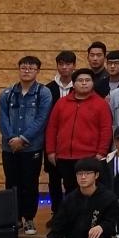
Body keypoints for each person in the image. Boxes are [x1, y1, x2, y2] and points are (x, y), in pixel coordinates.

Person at [0, 54, 52, 235]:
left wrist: (23, 139)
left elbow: (41, 119)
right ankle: (14, 219)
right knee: (11, 183)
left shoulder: (43, 93)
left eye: (31, 68)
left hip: (32, 147)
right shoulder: (7, 93)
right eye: (23, 67)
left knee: (29, 183)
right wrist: (11, 139)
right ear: (19, 69)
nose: (27, 71)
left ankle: (29, 219)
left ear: (38, 71)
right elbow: (3, 119)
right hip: (9, 148)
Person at [45, 68, 112, 195]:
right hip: (64, 157)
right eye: (80, 80)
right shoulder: (61, 103)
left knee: (89, 192)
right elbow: (52, 127)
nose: (84, 83)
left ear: (93, 83)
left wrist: (101, 153)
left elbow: (106, 130)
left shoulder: (101, 104)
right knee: (70, 191)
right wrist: (51, 151)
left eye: (87, 80)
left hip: (89, 157)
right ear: (74, 84)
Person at [45, 50, 77, 214]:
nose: (64, 67)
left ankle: (72, 213)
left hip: (73, 143)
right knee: (54, 180)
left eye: (68, 64)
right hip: (53, 142)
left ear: (74, 66)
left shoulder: (79, 87)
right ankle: (56, 213)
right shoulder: (48, 89)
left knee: (73, 181)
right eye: (61, 64)